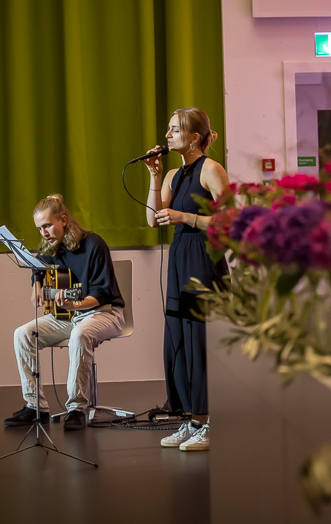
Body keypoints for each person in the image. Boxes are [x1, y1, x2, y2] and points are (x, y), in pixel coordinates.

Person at [142, 107, 230, 451]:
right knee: (177, 340)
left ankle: (208, 423)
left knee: (200, 341)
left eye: (174, 130)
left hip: (203, 260)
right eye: (168, 129)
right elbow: (153, 220)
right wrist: (154, 176)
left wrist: (186, 217)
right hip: (180, 258)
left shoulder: (212, 169)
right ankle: (191, 419)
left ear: (194, 137)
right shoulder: (172, 176)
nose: (167, 135)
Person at [6, 194, 126, 431]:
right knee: (22, 334)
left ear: (63, 220)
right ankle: (35, 406)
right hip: (68, 316)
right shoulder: (52, 246)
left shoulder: (94, 245)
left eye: (47, 226)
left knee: (80, 334)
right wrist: (36, 285)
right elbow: (38, 268)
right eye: (39, 228)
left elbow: (102, 292)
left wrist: (75, 306)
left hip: (104, 313)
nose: (44, 233)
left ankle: (77, 409)